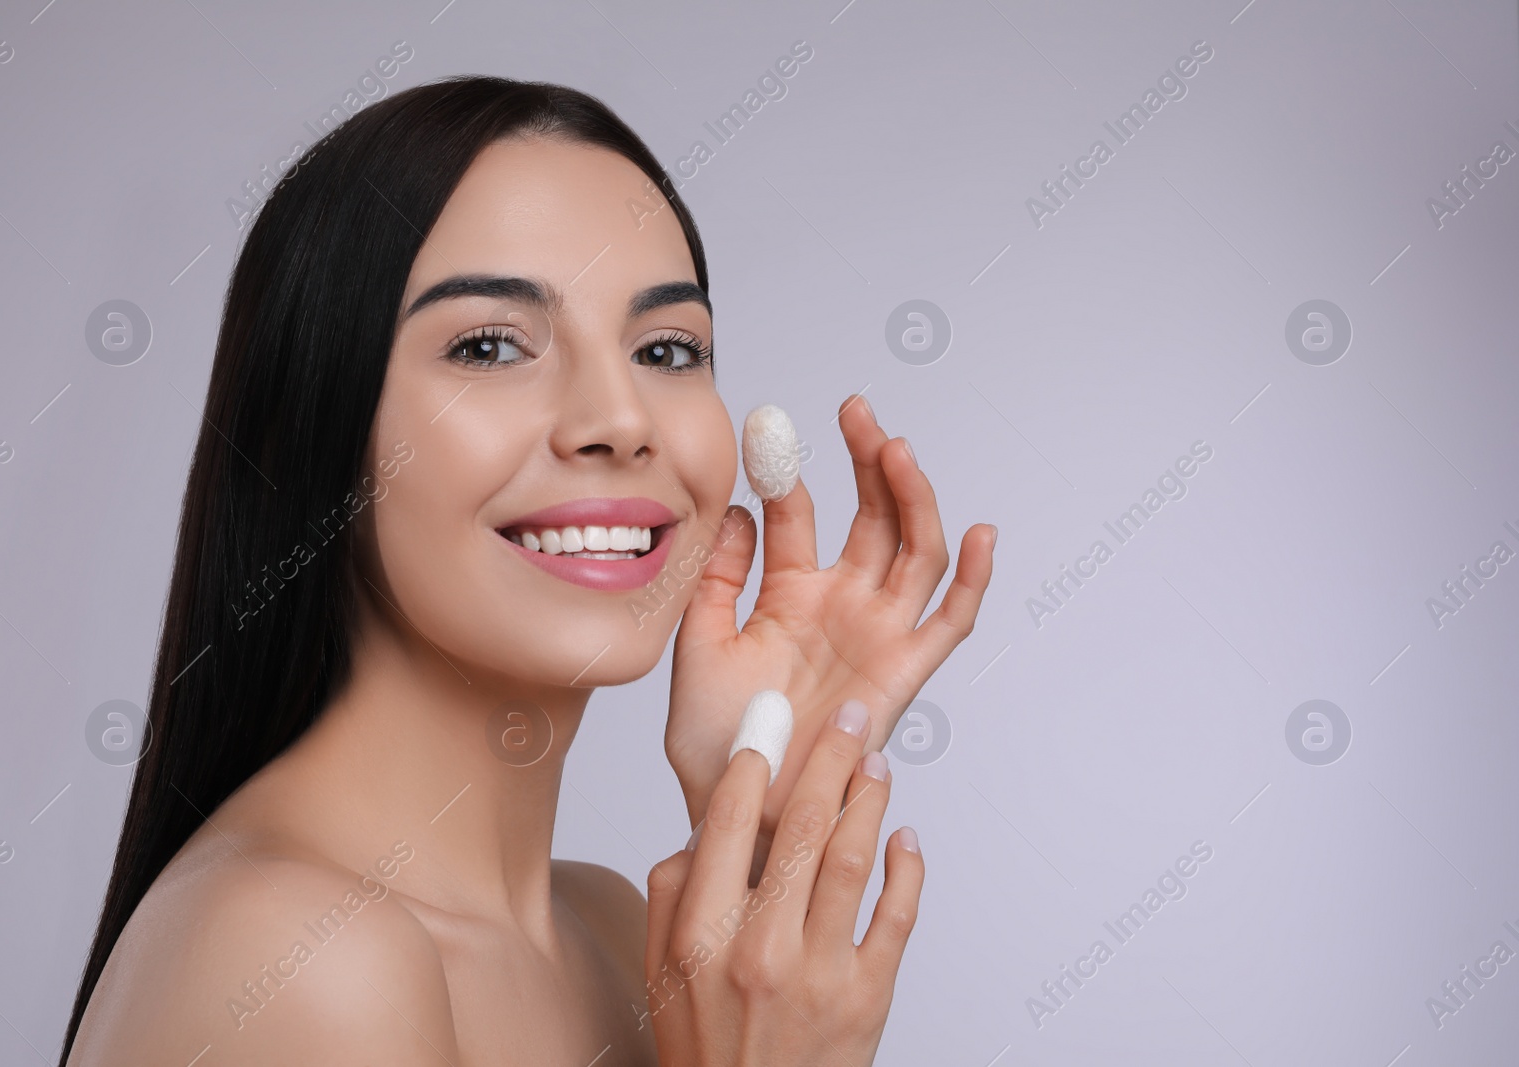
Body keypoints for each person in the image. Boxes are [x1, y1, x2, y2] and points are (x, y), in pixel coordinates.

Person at [59, 75, 996, 1066]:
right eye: (492, 344)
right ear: (315, 425)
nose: (619, 420)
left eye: (667, 348)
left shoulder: (609, 926)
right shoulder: (306, 963)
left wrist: (759, 843)